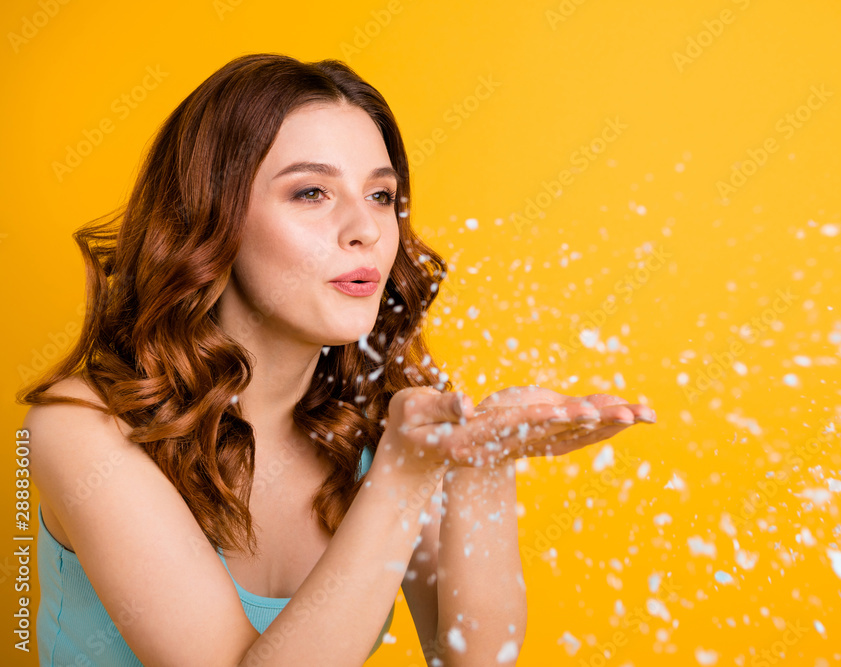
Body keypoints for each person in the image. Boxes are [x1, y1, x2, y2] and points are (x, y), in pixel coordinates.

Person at [17, 53, 657, 666]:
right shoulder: (79, 429)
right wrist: (406, 473)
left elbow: (472, 659)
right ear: (210, 220)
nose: (368, 230)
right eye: (311, 194)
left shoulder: (380, 423)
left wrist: (483, 465)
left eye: (381, 196)